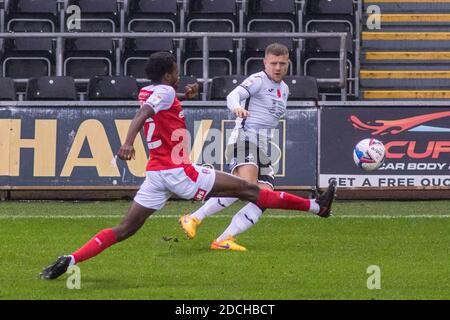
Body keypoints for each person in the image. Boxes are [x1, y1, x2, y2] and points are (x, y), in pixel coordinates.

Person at [39, 51, 336, 280]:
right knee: (250, 189)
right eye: (176, 72)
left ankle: (70, 259)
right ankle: (316, 207)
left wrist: (183, 96)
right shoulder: (163, 93)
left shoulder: (153, 91)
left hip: (156, 175)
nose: (179, 74)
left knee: (125, 229)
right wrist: (128, 142)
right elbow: (144, 112)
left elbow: (155, 104)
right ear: (168, 75)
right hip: (180, 171)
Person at [179, 43, 320, 251]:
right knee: (247, 186)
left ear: (288, 63)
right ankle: (193, 218)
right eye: (273, 63)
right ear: (265, 63)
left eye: (282, 63)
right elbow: (232, 95)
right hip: (245, 139)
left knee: (265, 197)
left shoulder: (285, 89)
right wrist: (237, 107)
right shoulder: (257, 80)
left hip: (264, 146)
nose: (278, 68)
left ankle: (224, 239)